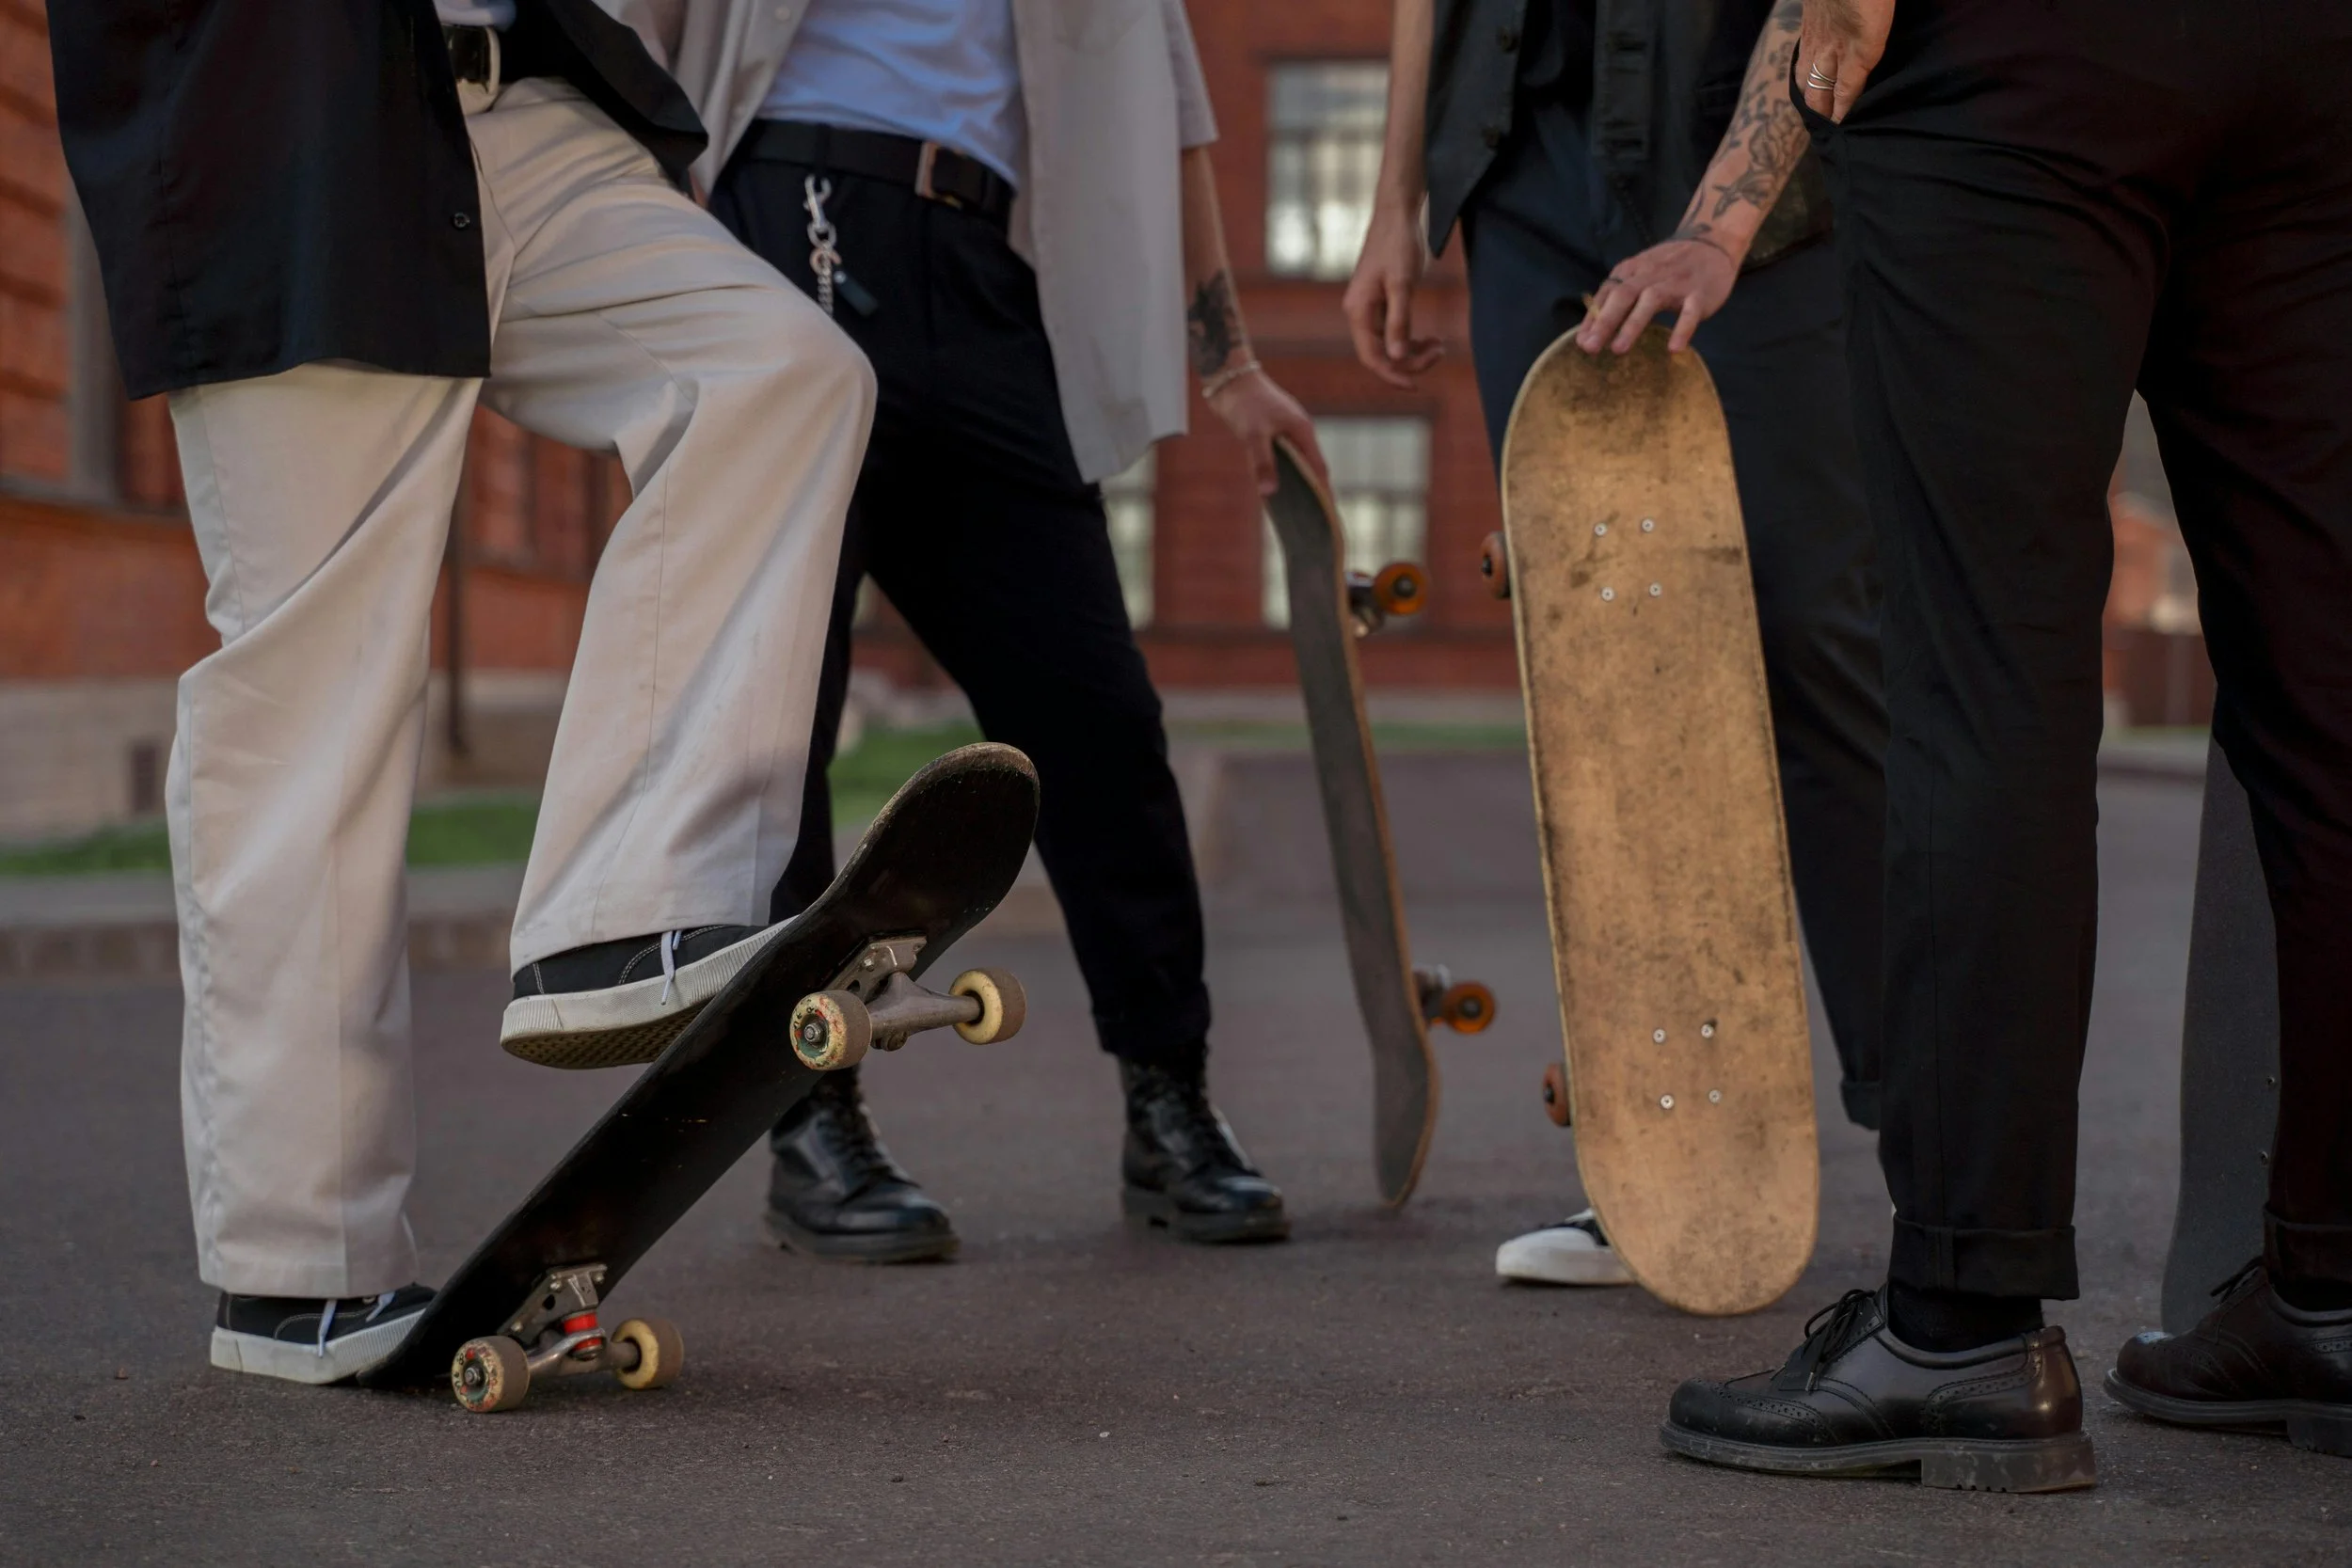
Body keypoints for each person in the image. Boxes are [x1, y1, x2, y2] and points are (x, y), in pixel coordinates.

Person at [53, 0, 873, 1383]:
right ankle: (297, 1270)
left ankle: (623, 915)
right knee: (318, 692)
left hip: (520, 108)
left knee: (781, 372)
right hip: (300, 129)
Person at [1663, 0, 2352, 1486]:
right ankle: (2338, 1291)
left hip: (2027, 59)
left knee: (1990, 674)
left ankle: (1965, 1317)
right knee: (2333, 697)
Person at [609, 0, 1327, 1259]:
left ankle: (1170, 1097)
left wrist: (1232, 367)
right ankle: (810, 1116)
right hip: (784, 225)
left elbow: (1176, 125)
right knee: (784, 712)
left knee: (1099, 718)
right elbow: (627, 37)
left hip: (991, 279)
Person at [1346, 0, 1888, 1286]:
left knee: (1815, 638)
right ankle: (1665, 1159)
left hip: (1765, 153)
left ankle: (1942, 1161)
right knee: (1604, 679)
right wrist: (1395, 202)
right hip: (1528, 156)